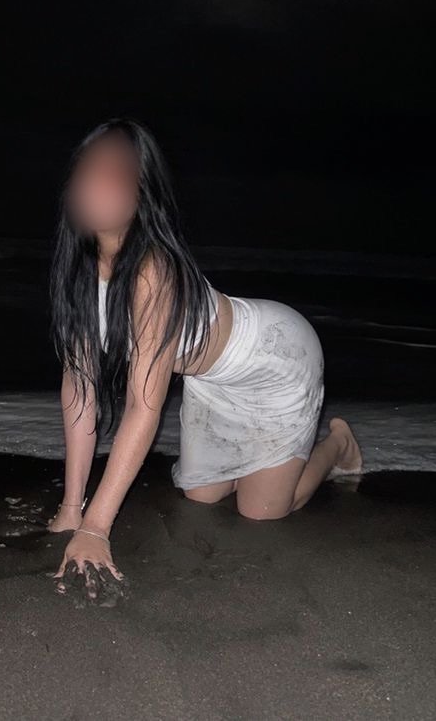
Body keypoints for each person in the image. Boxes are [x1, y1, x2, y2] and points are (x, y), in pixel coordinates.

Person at [46, 117, 362, 601]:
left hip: (275, 359)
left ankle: (336, 443)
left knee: (262, 513)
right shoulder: (77, 271)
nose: (99, 186)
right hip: (212, 382)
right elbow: (79, 389)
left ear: (142, 192)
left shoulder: (152, 270)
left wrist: (96, 527)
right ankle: (264, 461)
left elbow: (143, 407)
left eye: (117, 174)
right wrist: (72, 507)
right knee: (200, 495)